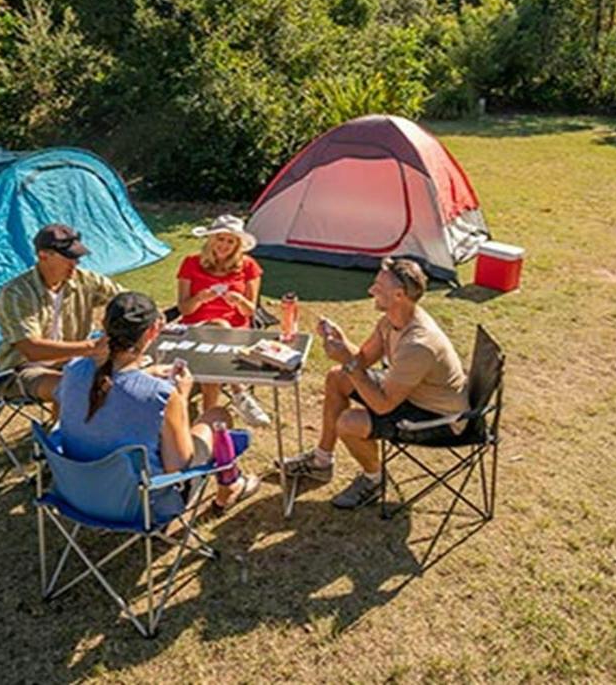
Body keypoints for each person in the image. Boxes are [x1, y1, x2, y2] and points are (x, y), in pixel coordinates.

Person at [280, 257, 468, 510]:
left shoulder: (419, 344)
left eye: (378, 287)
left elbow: (381, 405)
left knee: (348, 422)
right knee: (338, 377)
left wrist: (349, 362)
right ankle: (321, 461)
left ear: (399, 294)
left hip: (437, 417)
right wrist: (343, 342)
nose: (370, 291)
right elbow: (363, 360)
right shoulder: (392, 319)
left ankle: (373, 479)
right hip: (409, 393)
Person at [55, 292, 260, 514]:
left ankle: (230, 487)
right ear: (153, 331)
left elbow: (111, 392)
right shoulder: (159, 394)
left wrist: (144, 374)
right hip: (141, 506)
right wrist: (180, 397)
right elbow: (178, 466)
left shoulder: (73, 369)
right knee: (218, 416)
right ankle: (230, 486)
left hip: (77, 491)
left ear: (104, 324)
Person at [0, 224, 120, 411]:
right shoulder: (16, 293)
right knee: (75, 388)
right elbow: (32, 349)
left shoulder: (84, 280)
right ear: (43, 256)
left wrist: (144, 315)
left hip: (73, 363)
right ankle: (64, 437)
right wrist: (91, 347)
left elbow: (125, 299)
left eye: (77, 258)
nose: (74, 264)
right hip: (24, 370)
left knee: (126, 378)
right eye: (68, 258)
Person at [176, 214, 272, 428]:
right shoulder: (191, 263)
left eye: (230, 241)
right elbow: (184, 309)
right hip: (195, 330)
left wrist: (238, 300)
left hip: (235, 334)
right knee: (218, 328)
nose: (224, 245)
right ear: (210, 240)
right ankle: (239, 393)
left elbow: (250, 311)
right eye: (220, 239)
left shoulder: (248, 266)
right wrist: (200, 298)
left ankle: (207, 422)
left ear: (238, 245)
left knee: (218, 340)